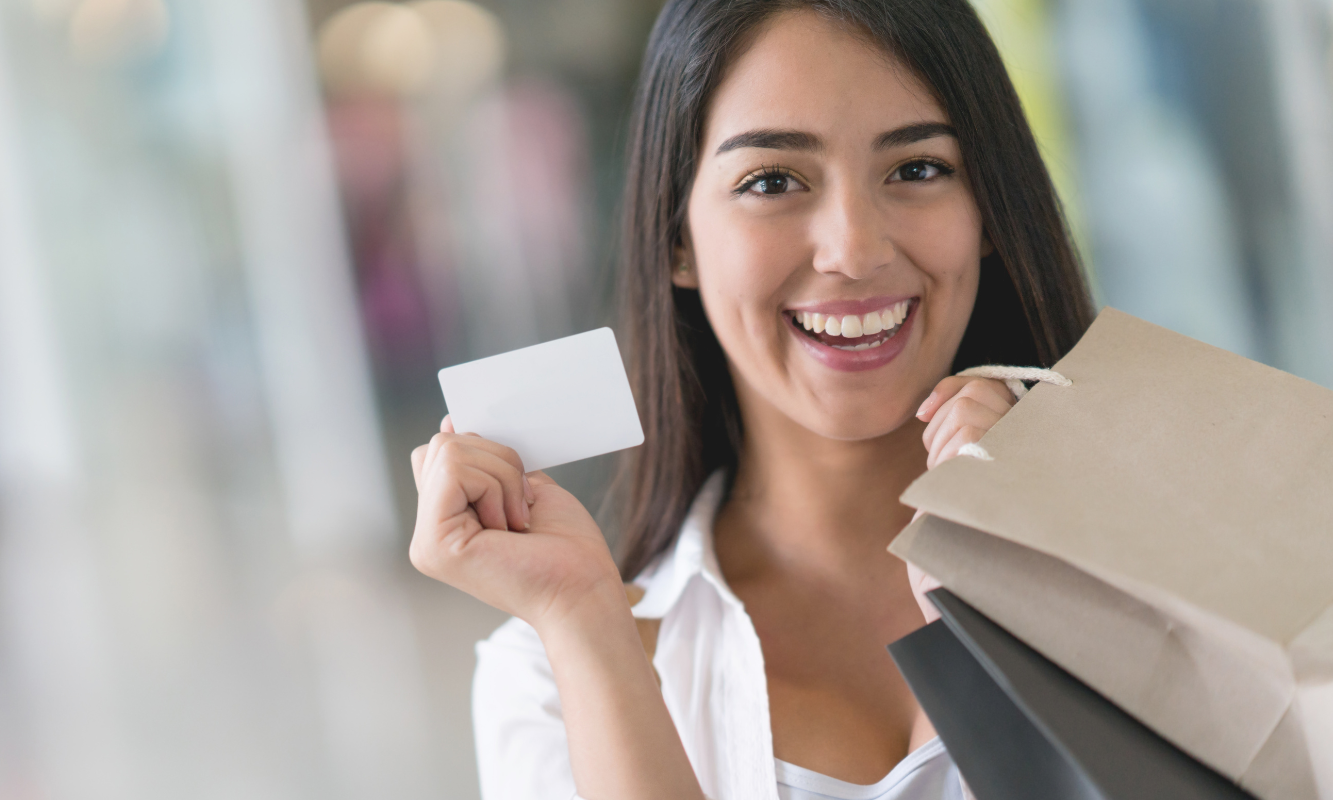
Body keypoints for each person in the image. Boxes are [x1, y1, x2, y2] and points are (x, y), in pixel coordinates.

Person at [409, 0, 1094, 797]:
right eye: (771, 180)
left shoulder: (1152, 549)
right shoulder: (547, 672)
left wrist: (1051, 582)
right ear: (678, 240)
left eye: (916, 169)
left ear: (988, 211)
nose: (853, 250)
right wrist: (587, 624)